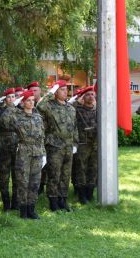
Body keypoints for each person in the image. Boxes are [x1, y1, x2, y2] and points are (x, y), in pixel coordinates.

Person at [0, 90, 46, 219]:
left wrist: (44, 153)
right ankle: (23, 210)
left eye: (32, 100)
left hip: (37, 152)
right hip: (24, 152)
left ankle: (31, 209)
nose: (31, 102)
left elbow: (42, 136)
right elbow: (4, 120)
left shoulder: (37, 116)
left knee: (35, 182)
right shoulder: (17, 116)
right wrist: (13, 105)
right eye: (28, 100)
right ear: (23, 103)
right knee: (23, 182)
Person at [37, 80, 78, 212]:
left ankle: (63, 200)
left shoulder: (71, 108)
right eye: (62, 89)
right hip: (55, 146)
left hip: (68, 146)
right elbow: (39, 105)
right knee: (54, 174)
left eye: (66, 89)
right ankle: (53, 201)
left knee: (66, 175)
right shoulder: (49, 106)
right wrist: (51, 91)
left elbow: (75, 127)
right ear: (55, 92)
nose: (65, 92)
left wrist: (75, 143)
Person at [74, 86, 97, 204]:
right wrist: (77, 101)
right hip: (83, 144)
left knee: (93, 169)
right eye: (88, 94)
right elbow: (68, 106)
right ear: (83, 97)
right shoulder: (77, 109)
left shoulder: (98, 110)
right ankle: (82, 195)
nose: (91, 96)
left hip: (95, 144)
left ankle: (90, 193)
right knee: (81, 169)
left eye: (93, 94)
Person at [0, 88, 19, 211]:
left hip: (16, 145)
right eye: (9, 97)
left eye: (13, 97)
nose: (11, 99)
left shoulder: (18, 111)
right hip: (4, 146)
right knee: (4, 176)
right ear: (5, 99)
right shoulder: (0, 111)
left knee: (17, 175)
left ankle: (15, 202)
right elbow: (3, 123)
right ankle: (6, 203)